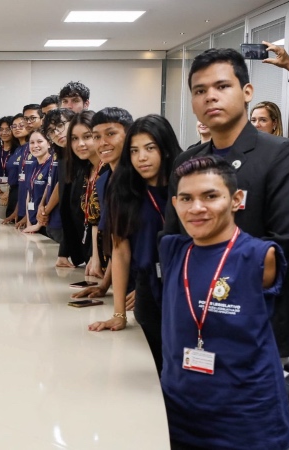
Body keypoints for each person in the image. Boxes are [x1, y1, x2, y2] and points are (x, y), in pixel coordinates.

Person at [165, 47, 289, 359]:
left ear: (246, 92)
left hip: (253, 323)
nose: (210, 97)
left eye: (222, 86)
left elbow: (283, 246)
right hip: (193, 317)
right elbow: (171, 238)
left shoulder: (278, 155)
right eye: (200, 90)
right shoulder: (188, 160)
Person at [160, 155, 289, 450]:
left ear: (236, 199)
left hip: (245, 418)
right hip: (179, 413)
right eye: (186, 198)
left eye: (210, 196)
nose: (196, 208)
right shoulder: (172, 249)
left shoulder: (260, 257)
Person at [88, 115, 182, 375]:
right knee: (152, 364)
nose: (142, 157)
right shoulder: (124, 189)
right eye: (134, 150)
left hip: (186, 287)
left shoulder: (187, 184)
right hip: (147, 290)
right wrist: (119, 314)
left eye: (150, 148)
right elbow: (120, 251)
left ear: (165, 147)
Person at [72, 107, 133, 300]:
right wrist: (104, 286)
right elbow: (118, 244)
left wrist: (152, 284)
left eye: (111, 134)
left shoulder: (139, 178)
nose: (103, 142)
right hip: (124, 282)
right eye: (97, 136)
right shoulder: (105, 180)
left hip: (149, 283)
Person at [57, 111, 98, 268]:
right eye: (74, 138)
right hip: (89, 257)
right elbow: (70, 213)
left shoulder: (110, 172)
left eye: (87, 137)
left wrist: (97, 256)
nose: (80, 144)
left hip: (109, 260)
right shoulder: (82, 171)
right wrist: (64, 251)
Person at [37, 108, 75, 244]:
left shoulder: (78, 154)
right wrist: (42, 207)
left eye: (60, 125)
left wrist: (45, 210)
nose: (57, 133)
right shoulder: (59, 152)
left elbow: (63, 184)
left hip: (69, 220)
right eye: (51, 131)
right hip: (54, 218)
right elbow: (53, 182)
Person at [15, 130, 53, 234]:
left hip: (45, 223)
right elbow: (29, 193)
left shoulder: (52, 165)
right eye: (32, 143)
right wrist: (29, 223)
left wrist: (37, 225)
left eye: (40, 141)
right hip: (32, 222)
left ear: (49, 143)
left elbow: (50, 197)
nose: (35, 146)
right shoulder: (32, 165)